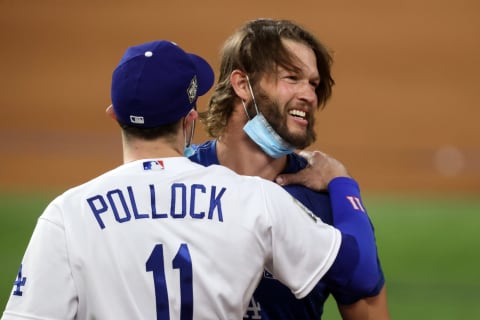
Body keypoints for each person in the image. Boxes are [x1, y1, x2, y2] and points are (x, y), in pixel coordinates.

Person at [2, 40, 379, 320]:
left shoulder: (68, 215)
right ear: (190, 120)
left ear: (114, 115)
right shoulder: (253, 199)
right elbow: (359, 272)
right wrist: (342, 183)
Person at [189, 18, 390, 319]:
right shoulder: (180, 179)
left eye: (313, 83)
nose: (309, 95)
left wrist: (342, 186)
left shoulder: (328, 203)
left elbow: (370, 308)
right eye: (292, 78)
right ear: (243, 85)